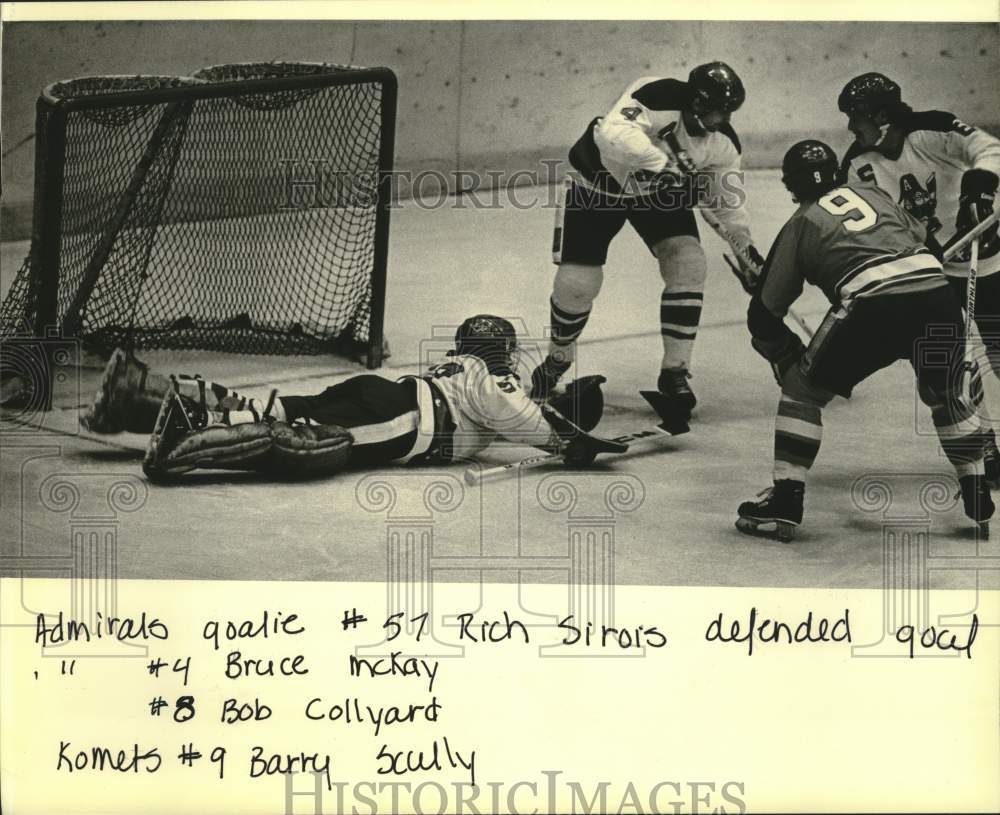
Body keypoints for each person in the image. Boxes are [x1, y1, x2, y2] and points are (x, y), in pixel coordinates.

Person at [736, 140, 993, 542]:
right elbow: (933, 247)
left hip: (873, 304)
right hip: (935, 294)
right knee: (946, 394)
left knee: (802, 392)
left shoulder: (801, 222)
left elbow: (763, 315)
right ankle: (975, 484)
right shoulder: (873, 193)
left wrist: (785, 355)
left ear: (792, 187)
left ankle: (785, 499)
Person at [78, 315, 626, 481]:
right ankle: (180, 441)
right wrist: (566, 442)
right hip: (405, 420)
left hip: (385, 393)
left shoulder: (459, 364)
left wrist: (561, 421)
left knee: (271, 410)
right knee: (306, 445)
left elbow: (513, 414)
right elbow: (516, 413)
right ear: (504, 349)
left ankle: (137, 393)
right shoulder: (495, 376)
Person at [530, 61, 764, 426]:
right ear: (696, 101)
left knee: (688, 263)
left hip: (656, 195)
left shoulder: (722, 145)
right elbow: (613, 133)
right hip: (597, 186)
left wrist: (746, 252)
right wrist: (664, 167)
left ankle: (675, 370)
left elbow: (725, 205)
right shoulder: (656, 93)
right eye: (713, 110)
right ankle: (556, 360)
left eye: (727, 112)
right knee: (578, 283)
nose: (719, 119)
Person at [837, 71, 1000, 484]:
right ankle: (984, 444)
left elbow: (991, 149)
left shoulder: (933, 130)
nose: (851, 126)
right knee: (955, 362)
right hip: (932, 274)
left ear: (883, 116)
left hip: (988, 258)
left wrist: (978, 189)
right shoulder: (857, 165)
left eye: (857, 116)